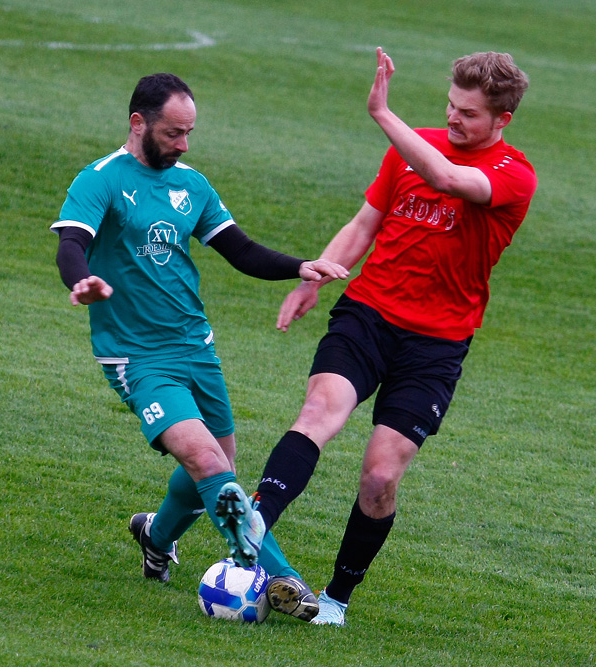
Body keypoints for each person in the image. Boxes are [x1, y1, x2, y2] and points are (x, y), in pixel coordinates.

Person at [244, 48, 538, 626]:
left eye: (470, 114)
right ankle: (250, 529)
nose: (454, 119)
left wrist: (382, 112)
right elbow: (365, 224)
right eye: (451, 107)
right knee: (318, 412)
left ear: (502, 120)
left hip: (436, 345)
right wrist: (316, 274)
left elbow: (447, 178)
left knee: (380, 477)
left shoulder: (511, 175)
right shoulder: (410, 148)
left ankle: (335, 600)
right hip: (367, 315)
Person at [50, 72, 348, 622]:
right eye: (172, 132)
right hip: (137, 356)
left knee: (215, 469)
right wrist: (81, 279)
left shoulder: (193, 184)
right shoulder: (99, 181)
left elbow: (238, 249)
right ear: (138, 123)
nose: (183, 144)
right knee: (210, 461)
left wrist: (297, 267)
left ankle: (156, 537)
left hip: (196, 346)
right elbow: (73, 243)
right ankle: (281, 578)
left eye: (189, 132)